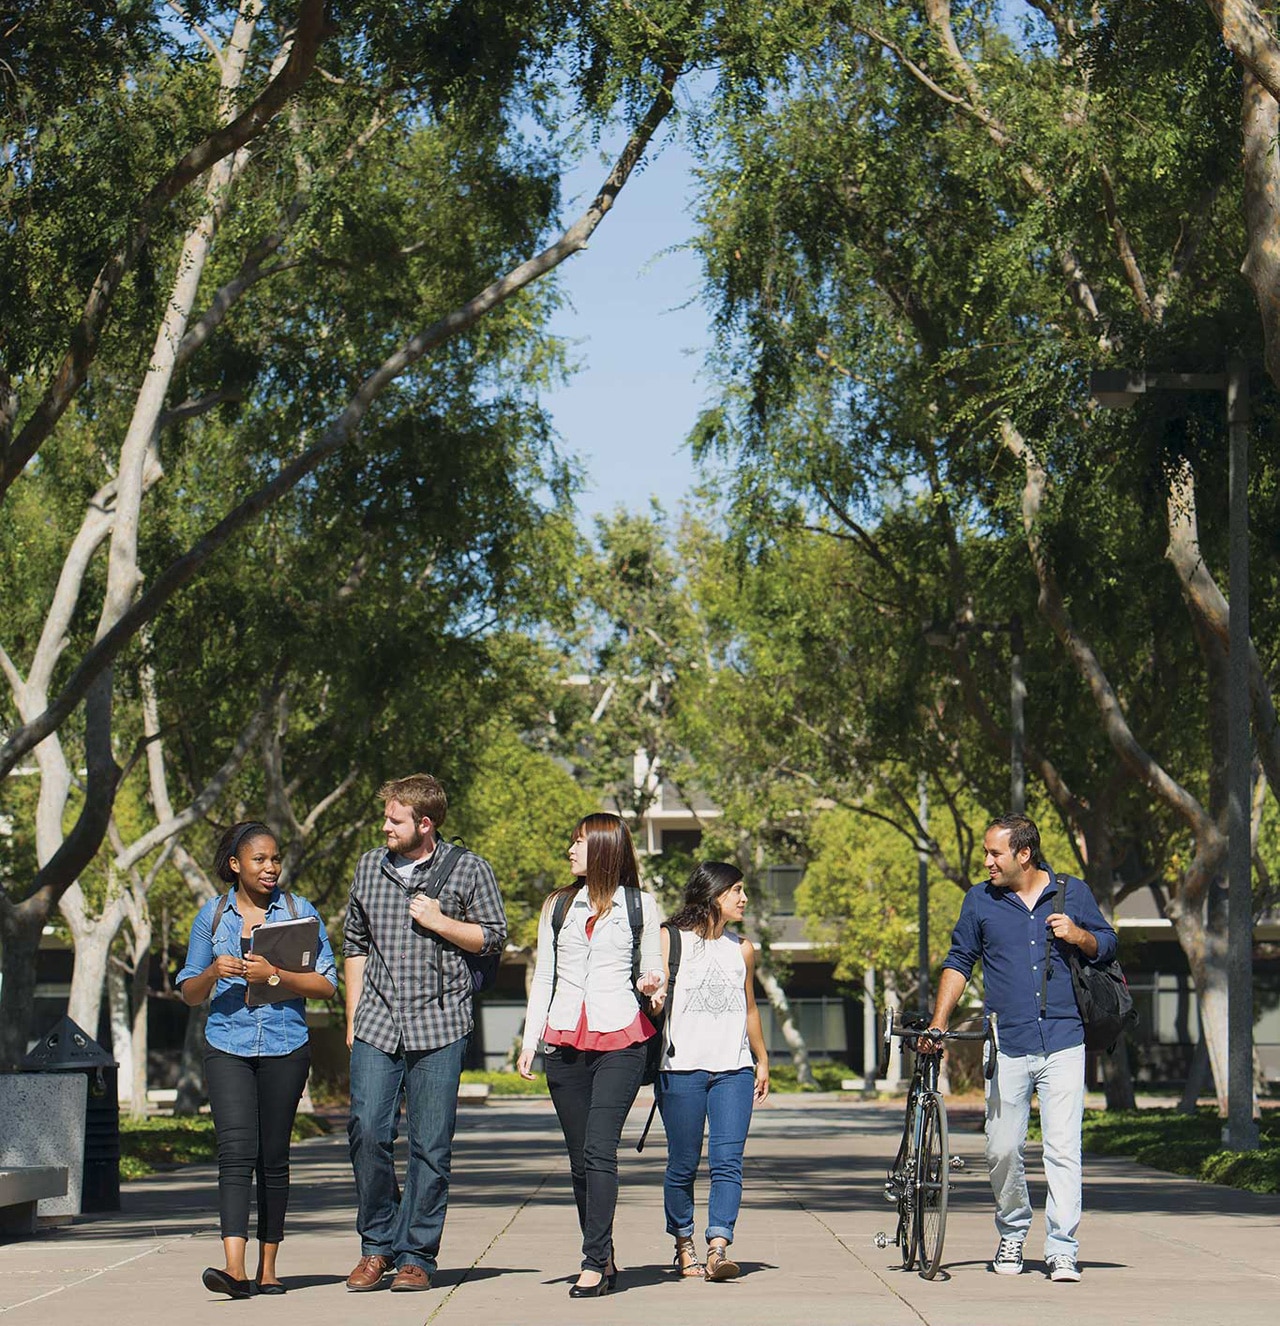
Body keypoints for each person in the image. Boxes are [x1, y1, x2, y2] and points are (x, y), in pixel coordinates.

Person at [921, 813, 1117, 1283]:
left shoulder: (1073, 893)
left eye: (995, 853)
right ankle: (1012, 1231)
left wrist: (1080, 936)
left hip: (1065, 1042)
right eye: (987, 853)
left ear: (1023, 854)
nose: (986, 861)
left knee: (1063, 1149)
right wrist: (938, 1024)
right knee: (1002, 1149)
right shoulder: (979, 901)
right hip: (1005, 1042)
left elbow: (1108, 943)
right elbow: (959, 960)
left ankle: (1062, 1248)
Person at [343, 774, 507, 1293]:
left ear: (425, 824)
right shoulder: (370, 867)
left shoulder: (470, 870)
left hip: (440, 1024)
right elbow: (354, 942)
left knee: (430, 1146)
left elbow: (493, 936)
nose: (385, 827)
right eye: (386, 818)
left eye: (395, 820)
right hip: (377, 1022)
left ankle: (416, 1254)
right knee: (367, 1132)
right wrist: (352, 1016)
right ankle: (376, 1245)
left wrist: (440, 922)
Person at [177, 820, 338, 1299]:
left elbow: (327, 984)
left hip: (286, 1047)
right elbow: (188, 992)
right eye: (259, 860)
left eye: (274, 859)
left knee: (273, 1157)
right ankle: (234, 1269)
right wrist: (211, 971)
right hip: (227, 1045)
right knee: (235, 1153)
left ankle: (268, 1269)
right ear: (235, 865)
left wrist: (276, 974)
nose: (270, 868)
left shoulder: (299, 911)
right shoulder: (211, 916)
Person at [516, 813, 663, 1298]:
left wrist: (651, 986)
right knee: (580, 1160)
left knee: (600, 1150)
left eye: (578, 842)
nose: (570, 850)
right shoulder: (558, 905)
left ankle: (593, 1260)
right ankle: (605, 1252)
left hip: (620, 1038)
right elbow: (543, 976)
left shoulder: (640, 905)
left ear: (603, 849)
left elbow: (653, 968)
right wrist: (529, 1041)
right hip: (563, 1043)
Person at [655, 862, 769, 1282]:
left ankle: (718, 1246)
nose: (743, 898)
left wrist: (761, 1058)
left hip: (733, 1071)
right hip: (681, 1068)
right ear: (713, 893)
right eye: (736, 889)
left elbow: (750, 1007)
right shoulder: (670, 939)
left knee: (728, 1162)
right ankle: (683, 1243)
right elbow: (655, 994)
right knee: (682, 1164)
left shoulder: (742, 948)